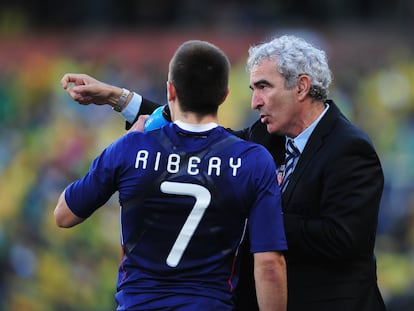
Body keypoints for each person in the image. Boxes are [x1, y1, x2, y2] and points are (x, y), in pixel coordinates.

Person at [60, 34, 387, 311]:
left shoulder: (349, 149)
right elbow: (197, 131)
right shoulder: (267, 135)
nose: (255, 102)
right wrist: (120, 99)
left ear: (301, 87)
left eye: (263, 87)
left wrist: (260, 208)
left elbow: (343, 239)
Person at [55, 40, 288, 311]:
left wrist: (122, 143)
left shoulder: (130, 148)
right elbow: (269, 264)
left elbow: (64, 215)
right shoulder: (253, 161)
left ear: (170, 91)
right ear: (224, 94)